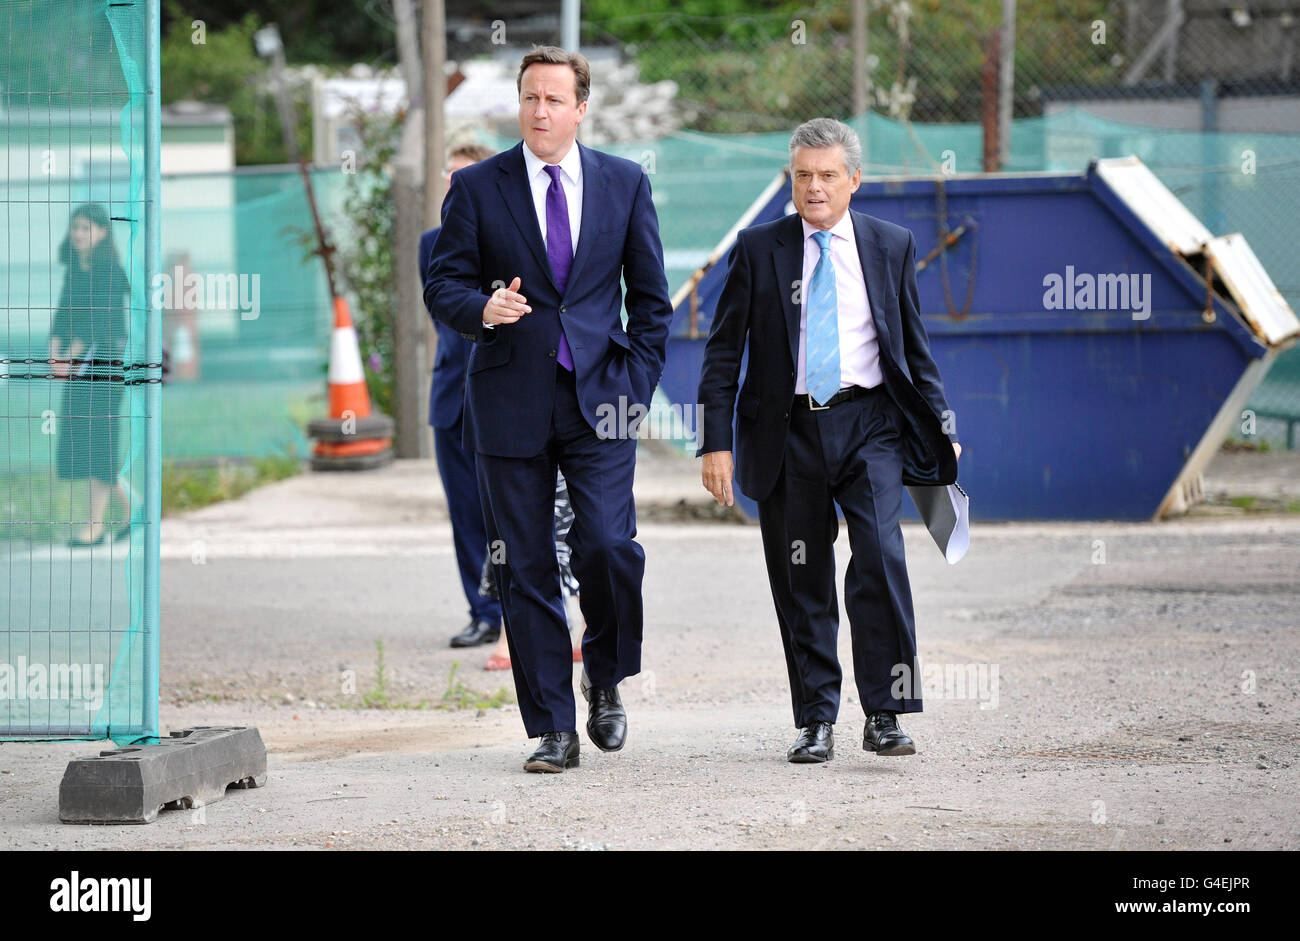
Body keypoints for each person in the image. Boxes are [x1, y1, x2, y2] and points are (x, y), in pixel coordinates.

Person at [425, 46, 673, 773]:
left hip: (602, 399)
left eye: (553, 99)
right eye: (530, 97)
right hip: (507, 397)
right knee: (525, 563)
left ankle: (606, 674)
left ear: (580, 107)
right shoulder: (475, 187)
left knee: (606, 545)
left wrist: (637, 384)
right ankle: (552, 728)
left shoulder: (624, 183)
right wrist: (482, 308)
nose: (539, 110)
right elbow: (444, 284)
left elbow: (650, 300)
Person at [697, 118, 962, 765]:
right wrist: (714, 442)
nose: (813, 188)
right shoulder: (759, 249)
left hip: (869, 424)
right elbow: (723, 352)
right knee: (802, 577)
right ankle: (815, 718)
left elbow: (913, 350)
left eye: (826, 176)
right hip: (786, 433)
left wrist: (944, 425)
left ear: (854, 180)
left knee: (879, 557)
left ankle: (886, 712)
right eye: (801, 176)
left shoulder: (890, 244)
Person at [418, 143, 503, 649]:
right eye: (452, 183)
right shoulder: (432, 244)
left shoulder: (512, 238)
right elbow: (443, 310)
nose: (459, 192)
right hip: (453, 393)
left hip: (506, 393)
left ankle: (527, 607)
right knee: (466, 511)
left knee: (513, 509)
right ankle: (484, 611)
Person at [49, 204, 135, 547]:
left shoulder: (109, 272)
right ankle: (133, 511)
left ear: (101, 232)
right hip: (77, 363)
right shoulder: (75, 268)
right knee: (82, 438)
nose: (78, 234)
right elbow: (63, 312)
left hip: (105, 364)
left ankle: (94, 526)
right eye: (75, 228)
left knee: (100, 439)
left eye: (85, 228)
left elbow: (99, 321)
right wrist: (55, 352)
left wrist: (69, 358)